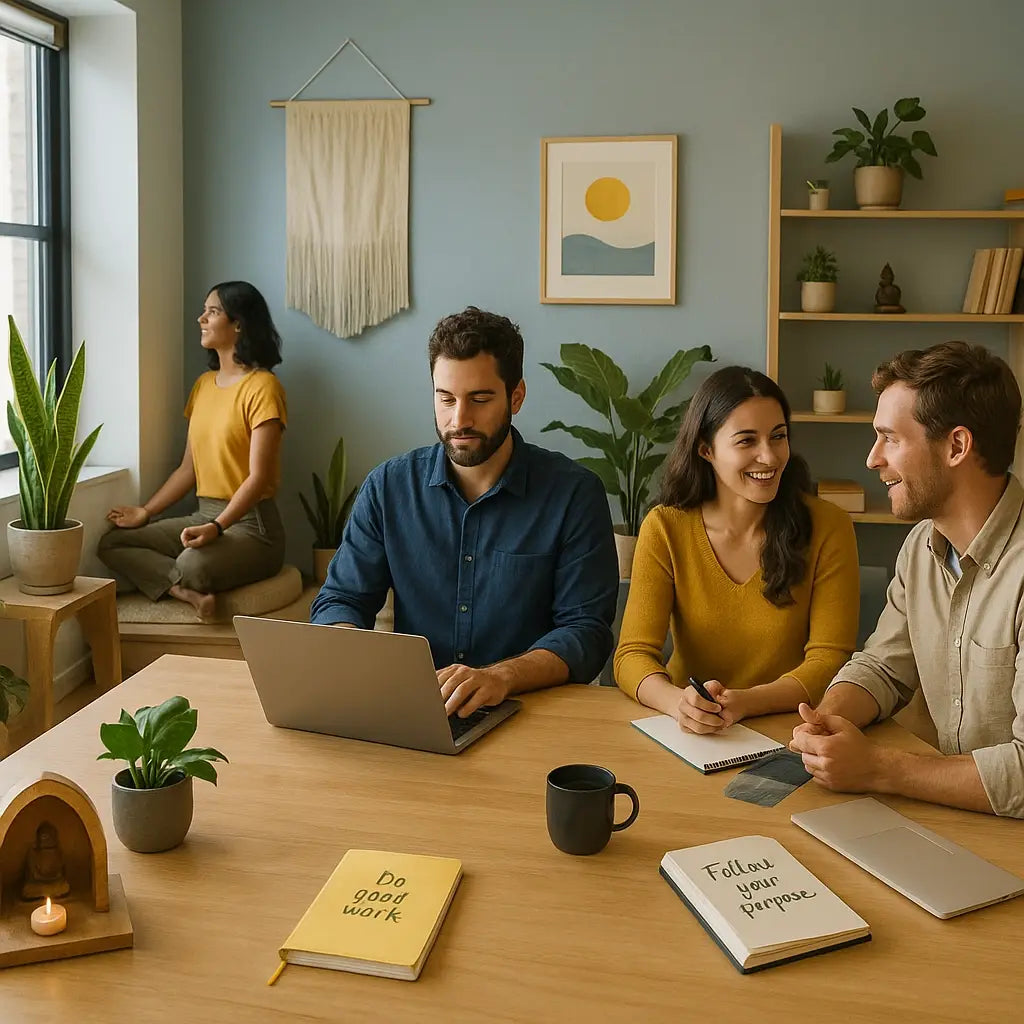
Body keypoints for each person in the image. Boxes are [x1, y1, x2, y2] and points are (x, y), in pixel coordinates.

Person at [310, 306, 618, 717]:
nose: (459, 419)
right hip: (417, 710)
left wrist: (501, 677)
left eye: (480, 399)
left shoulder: (574, 495)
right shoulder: (388, 487)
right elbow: (342, 598)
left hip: (532, 709)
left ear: (516, 397)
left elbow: (585, 631)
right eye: (446, 398)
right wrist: (347, 644)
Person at [789, 341, 1024, 818]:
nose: (872, 459)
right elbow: (883, 667)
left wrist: (878, 769)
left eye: (890, 439)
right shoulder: (921, 545)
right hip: (947, 814)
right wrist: (828, 721)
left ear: (956, 446)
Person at [614, 365, 859, 732]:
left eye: (778, 436)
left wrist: (746, 702)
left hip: (790, 728)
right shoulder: (665, 527)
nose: (770, 457)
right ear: (706, 449)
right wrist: (679, 704)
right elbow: (632, 655)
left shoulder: (829, 526)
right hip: (688, 730)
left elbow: (830, 658)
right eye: (747, 441)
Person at [99, 281, 287, 620]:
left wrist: (217, 527)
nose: (201, 319)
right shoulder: (203, 386)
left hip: (252, 527)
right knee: (112, 543)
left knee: (190, 564)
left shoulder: (263, 387)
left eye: (212, 312)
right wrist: (146, 511)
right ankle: (182, 591)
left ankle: (182, 580)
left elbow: (258, 478)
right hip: (203, 514)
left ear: (238, 324)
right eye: (204, 311)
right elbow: (188, 469)